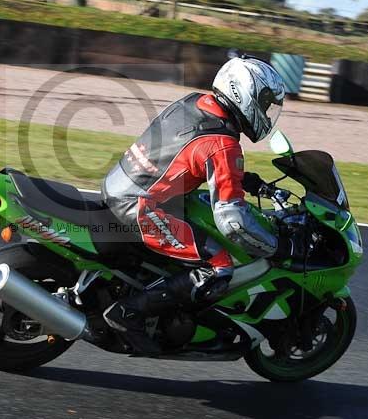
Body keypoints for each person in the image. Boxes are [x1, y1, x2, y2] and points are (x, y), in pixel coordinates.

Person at [101, 54, 298, 354]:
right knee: (219, 265)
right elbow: (233, 221)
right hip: (140, 207)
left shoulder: (194, 103)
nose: (266, 112)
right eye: (264, 102)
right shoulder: (223, 143)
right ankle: (128, 314)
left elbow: (189, 155)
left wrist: (246, 179)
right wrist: (276, 247)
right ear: (243, 94)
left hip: (120, 183)